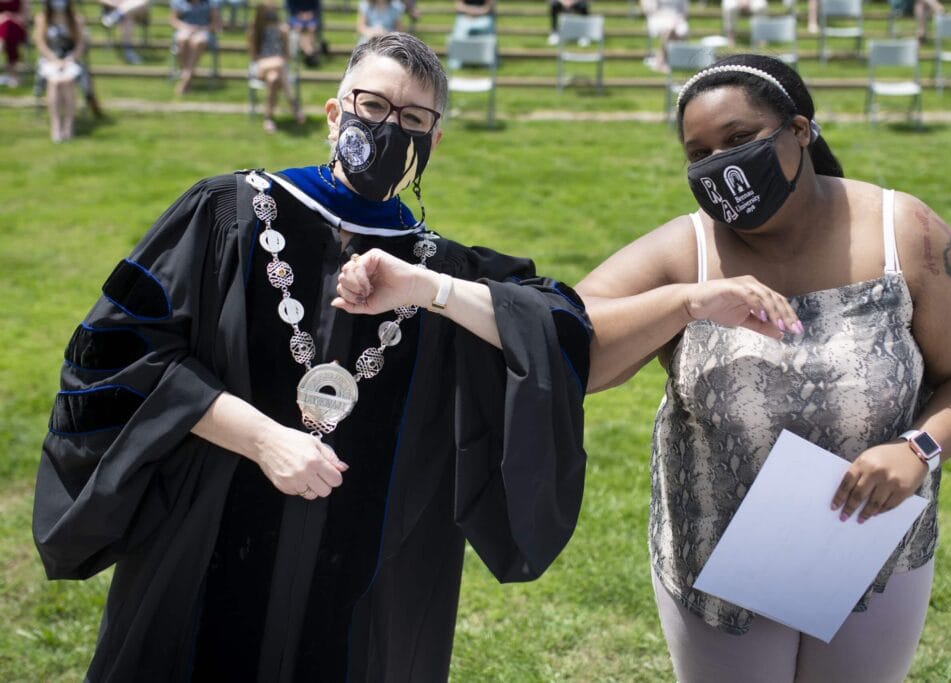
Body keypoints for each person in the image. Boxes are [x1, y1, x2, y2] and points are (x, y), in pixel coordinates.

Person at [33, 32, 590, 682]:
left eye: (413, 120)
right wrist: (264, 437)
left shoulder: (440, 269)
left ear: (434, 141)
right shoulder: (229, 213)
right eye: (373, 106)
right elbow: (120, 355)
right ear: (334, 114)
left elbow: (558, 327)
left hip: (362, 579)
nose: (388, 131)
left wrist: (431, 290)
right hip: (202, 544)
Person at [575, 54, 951, 682]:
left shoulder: (904, 232)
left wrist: (919, 448)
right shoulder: (688, 250)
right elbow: (573, 345)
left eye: (738, 140)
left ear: (801, 130)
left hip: (870, 550)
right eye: (698, 152)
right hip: (718, 564)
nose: (719, 165)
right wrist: (681, 302)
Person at [33, 0, 87, 142]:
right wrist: (54, 60)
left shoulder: (76, 19)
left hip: (70, 59)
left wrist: (69, 59)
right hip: (50, 60)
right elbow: (41, 43)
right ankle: (56, 125)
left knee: (68, 81)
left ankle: (68, 126)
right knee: (55, 82)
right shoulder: (43, 18)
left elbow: (80, 44)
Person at [247, 1, 304, 133]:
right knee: (278, 64)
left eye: (273, 14)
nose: (271, 18)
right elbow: (254, 56)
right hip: (261, 66)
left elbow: (287, 55)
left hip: (279, 68)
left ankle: (268, 119)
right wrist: (275, 61)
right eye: (268, 15)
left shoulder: (282, 30)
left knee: (273, 78)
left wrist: (278, 60)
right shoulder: (254, 30)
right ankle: (293, 103)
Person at [169, 0, 221, 95]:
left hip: (204, 30)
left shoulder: (211, 3)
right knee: (183, 39)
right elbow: (173, 20)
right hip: (184, 29)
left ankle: (185, 79)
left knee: (198, 41)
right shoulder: (179, 2)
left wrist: (201, 29)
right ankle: (187, 78)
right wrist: (187, 27)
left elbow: (216, 23)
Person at [641, 0, 689, 73]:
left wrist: (678, 18)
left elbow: (684, 11)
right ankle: (662, 60)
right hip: (658, 17)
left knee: (681, 29)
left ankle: (662, 59)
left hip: (676, 18)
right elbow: (651, 9)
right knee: (669, 29)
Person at [0, 0, 30, 86]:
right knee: (7, 30)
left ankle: (1, 45)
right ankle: (13, 76)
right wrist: (3, 18)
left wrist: (11, 17)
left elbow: (26, 16)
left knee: (8, 27)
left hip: (17, 27)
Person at [286, 0, 322, 67]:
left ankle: (310, 52)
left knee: (312, 27)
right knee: (298, 28)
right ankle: (310, 53)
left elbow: (317, 8)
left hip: (311, 17)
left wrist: (309, 14)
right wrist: (301, 14)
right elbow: (290, 7)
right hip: (296, 17)